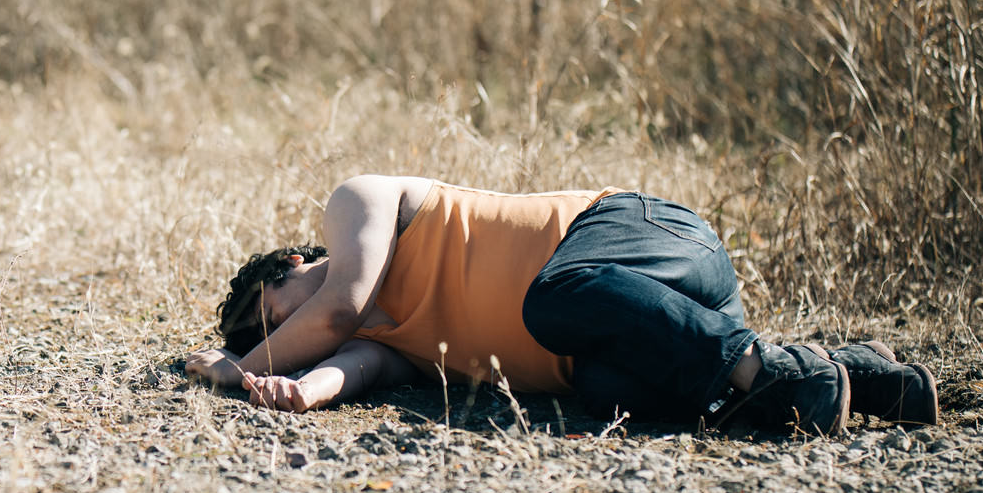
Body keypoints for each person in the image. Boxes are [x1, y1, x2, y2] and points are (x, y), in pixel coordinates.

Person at [184, 175, 938, 434]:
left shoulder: (358, 204)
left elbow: (337, 311)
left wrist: (236, 361)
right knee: (607, 395)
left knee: (554, 296)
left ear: (289, 264)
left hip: (640, 235)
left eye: (275, 313)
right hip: (638, 324)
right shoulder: (390, 341)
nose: (293, 336)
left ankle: (779, 373)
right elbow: (341, 368)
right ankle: (861, 378)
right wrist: (277, 387)